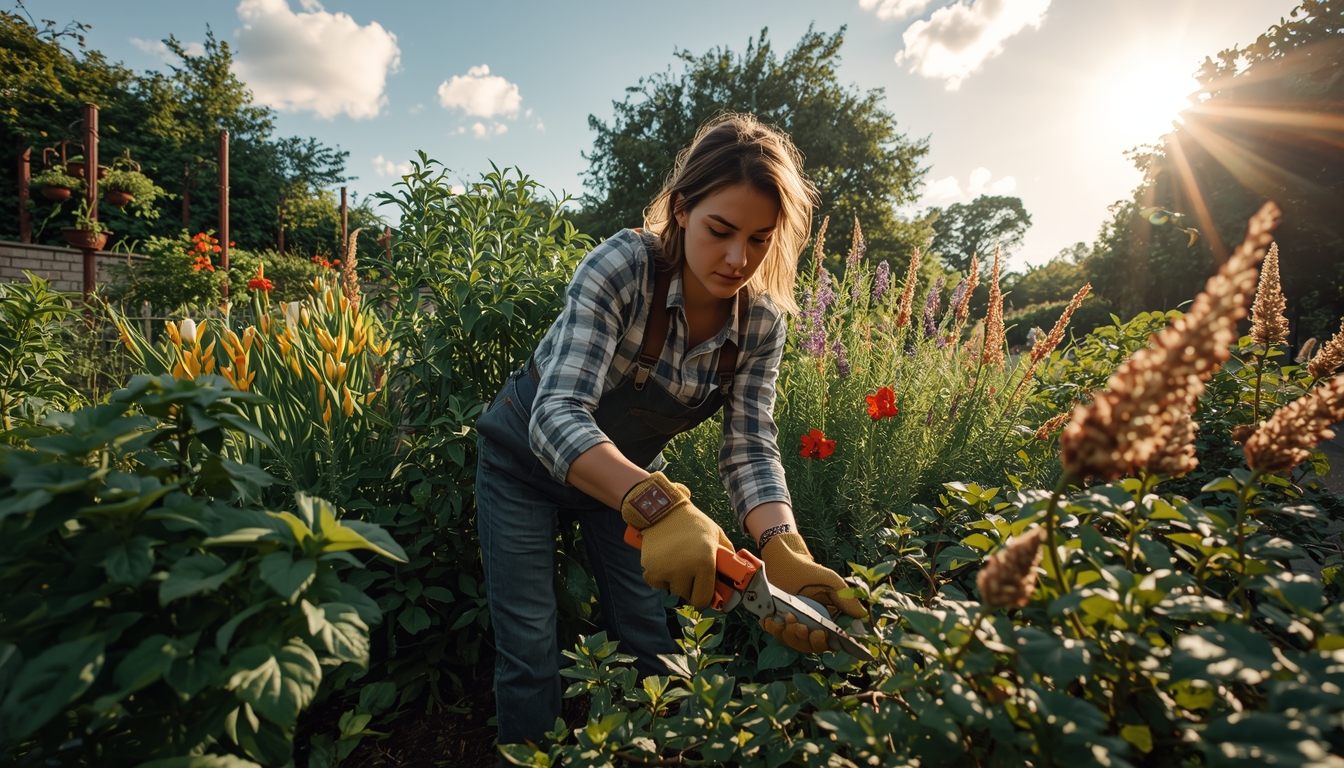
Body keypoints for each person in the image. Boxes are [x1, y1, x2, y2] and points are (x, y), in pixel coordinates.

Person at [475, 113, 866, 751]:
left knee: (647, 629)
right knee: (529, 641)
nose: (739, 258)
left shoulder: (761, 323)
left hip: (621, 487)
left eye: (761, 239)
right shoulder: (624, 268)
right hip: (524, 468)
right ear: (682, 209)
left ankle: (670, 750)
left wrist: (780, 545)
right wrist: (656, 506)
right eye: (720, 230)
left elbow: (749, 446)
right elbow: (556, 415)